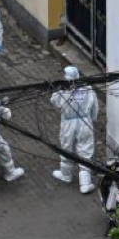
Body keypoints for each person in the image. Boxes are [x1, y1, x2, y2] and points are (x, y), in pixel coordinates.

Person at [50, 66, 98, 194]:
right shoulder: (88, 89)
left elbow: (54, 101)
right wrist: (92, 120)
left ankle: (66, 175)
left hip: (68, 122)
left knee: (66, 148)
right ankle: (85, 183)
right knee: (85, 150)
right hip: (84, 121)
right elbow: (95, 108)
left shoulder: (62, 91)